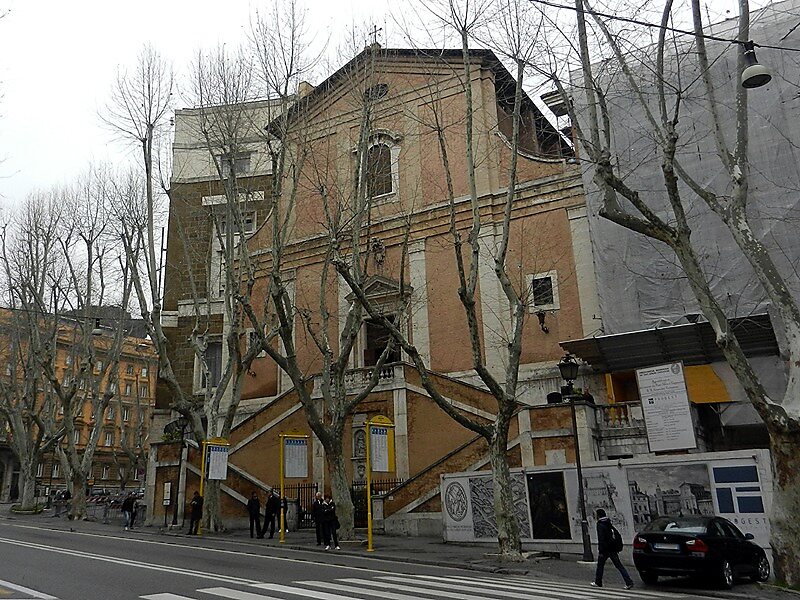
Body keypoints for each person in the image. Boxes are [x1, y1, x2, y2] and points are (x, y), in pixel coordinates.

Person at [592, 508, 634, 589]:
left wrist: (601, 550)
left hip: (605, 549)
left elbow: (601, 538)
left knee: (600, 566)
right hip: (612, 548)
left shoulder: (600, 524)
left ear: (598, 515)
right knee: (619, 566)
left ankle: (598, 582)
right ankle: (628, 581)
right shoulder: (608, 523)